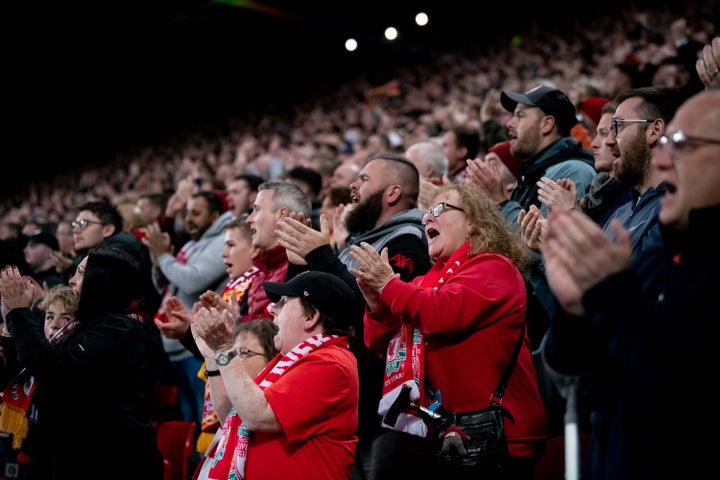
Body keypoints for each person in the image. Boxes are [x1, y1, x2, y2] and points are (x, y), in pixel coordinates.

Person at [539, 88, 720, 480]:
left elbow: (684, 391)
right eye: (669, 142)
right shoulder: (660, 248)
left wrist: (610, 291)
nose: (666, 157)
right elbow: (576, 383)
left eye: (684, 144)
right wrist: (574, 311)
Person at [349, 182, 548, 479]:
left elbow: (441, 313)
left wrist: (390, 285)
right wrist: (377, 306)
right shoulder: (426, 281)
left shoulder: (494, 267)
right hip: (446, 435)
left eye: (440, 209)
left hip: (499, 435)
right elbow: (383, 346)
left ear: (473, 222)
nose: (427, 218)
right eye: (426, 212)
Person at [274, 152, 432, 480]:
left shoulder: (408, 241)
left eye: (363, 179)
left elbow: (379, 307)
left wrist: (321, 255)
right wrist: (302, 263)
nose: (352, 186)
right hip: (349, 399)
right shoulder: (363, 241)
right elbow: (314, 300)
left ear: (392, 193)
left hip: (381, 407)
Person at [0, 246, 164, 479]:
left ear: (103, 281)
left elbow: (51, 368)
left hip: (113, 463)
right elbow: (30, 372)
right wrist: (11, 322)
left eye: (81, 273)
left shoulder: (119, 329)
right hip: (75, 458)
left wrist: (18, 313)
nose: (72, 281)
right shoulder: (83, 326)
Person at [192, 271, 361, 479]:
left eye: (283, 302)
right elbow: (234, 414)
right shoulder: (287, 360)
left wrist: (225, 350)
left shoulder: (332, 363)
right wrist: (213, 356)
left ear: (310, 317)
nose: (272, 309)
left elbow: (257, 415)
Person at [143, 191, 233, 435]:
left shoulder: (222, 240)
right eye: (187, 213)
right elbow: (169, 285)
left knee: (207, 429)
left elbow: (194, 280)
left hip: (197, 347)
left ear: (215, 215)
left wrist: (163, 257)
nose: (189, 219)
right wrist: (158, 264)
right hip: (178, 347)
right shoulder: (194, 242)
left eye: (196, 213)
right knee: (190, 426)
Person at [0, 284, 78, 480]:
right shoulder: (35, 362)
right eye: (50, 316)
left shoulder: (72, 361)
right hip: (32, 456)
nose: (54, 324)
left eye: (65, 318)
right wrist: (8, 318)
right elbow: (15, 372)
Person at [192, 318, 279, 480]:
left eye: (244, 353)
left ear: (273, 360)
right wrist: (211, 357)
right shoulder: (240, 410)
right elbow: (226, 415)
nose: (235, 361)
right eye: (233, 353)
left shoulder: (270, 410)